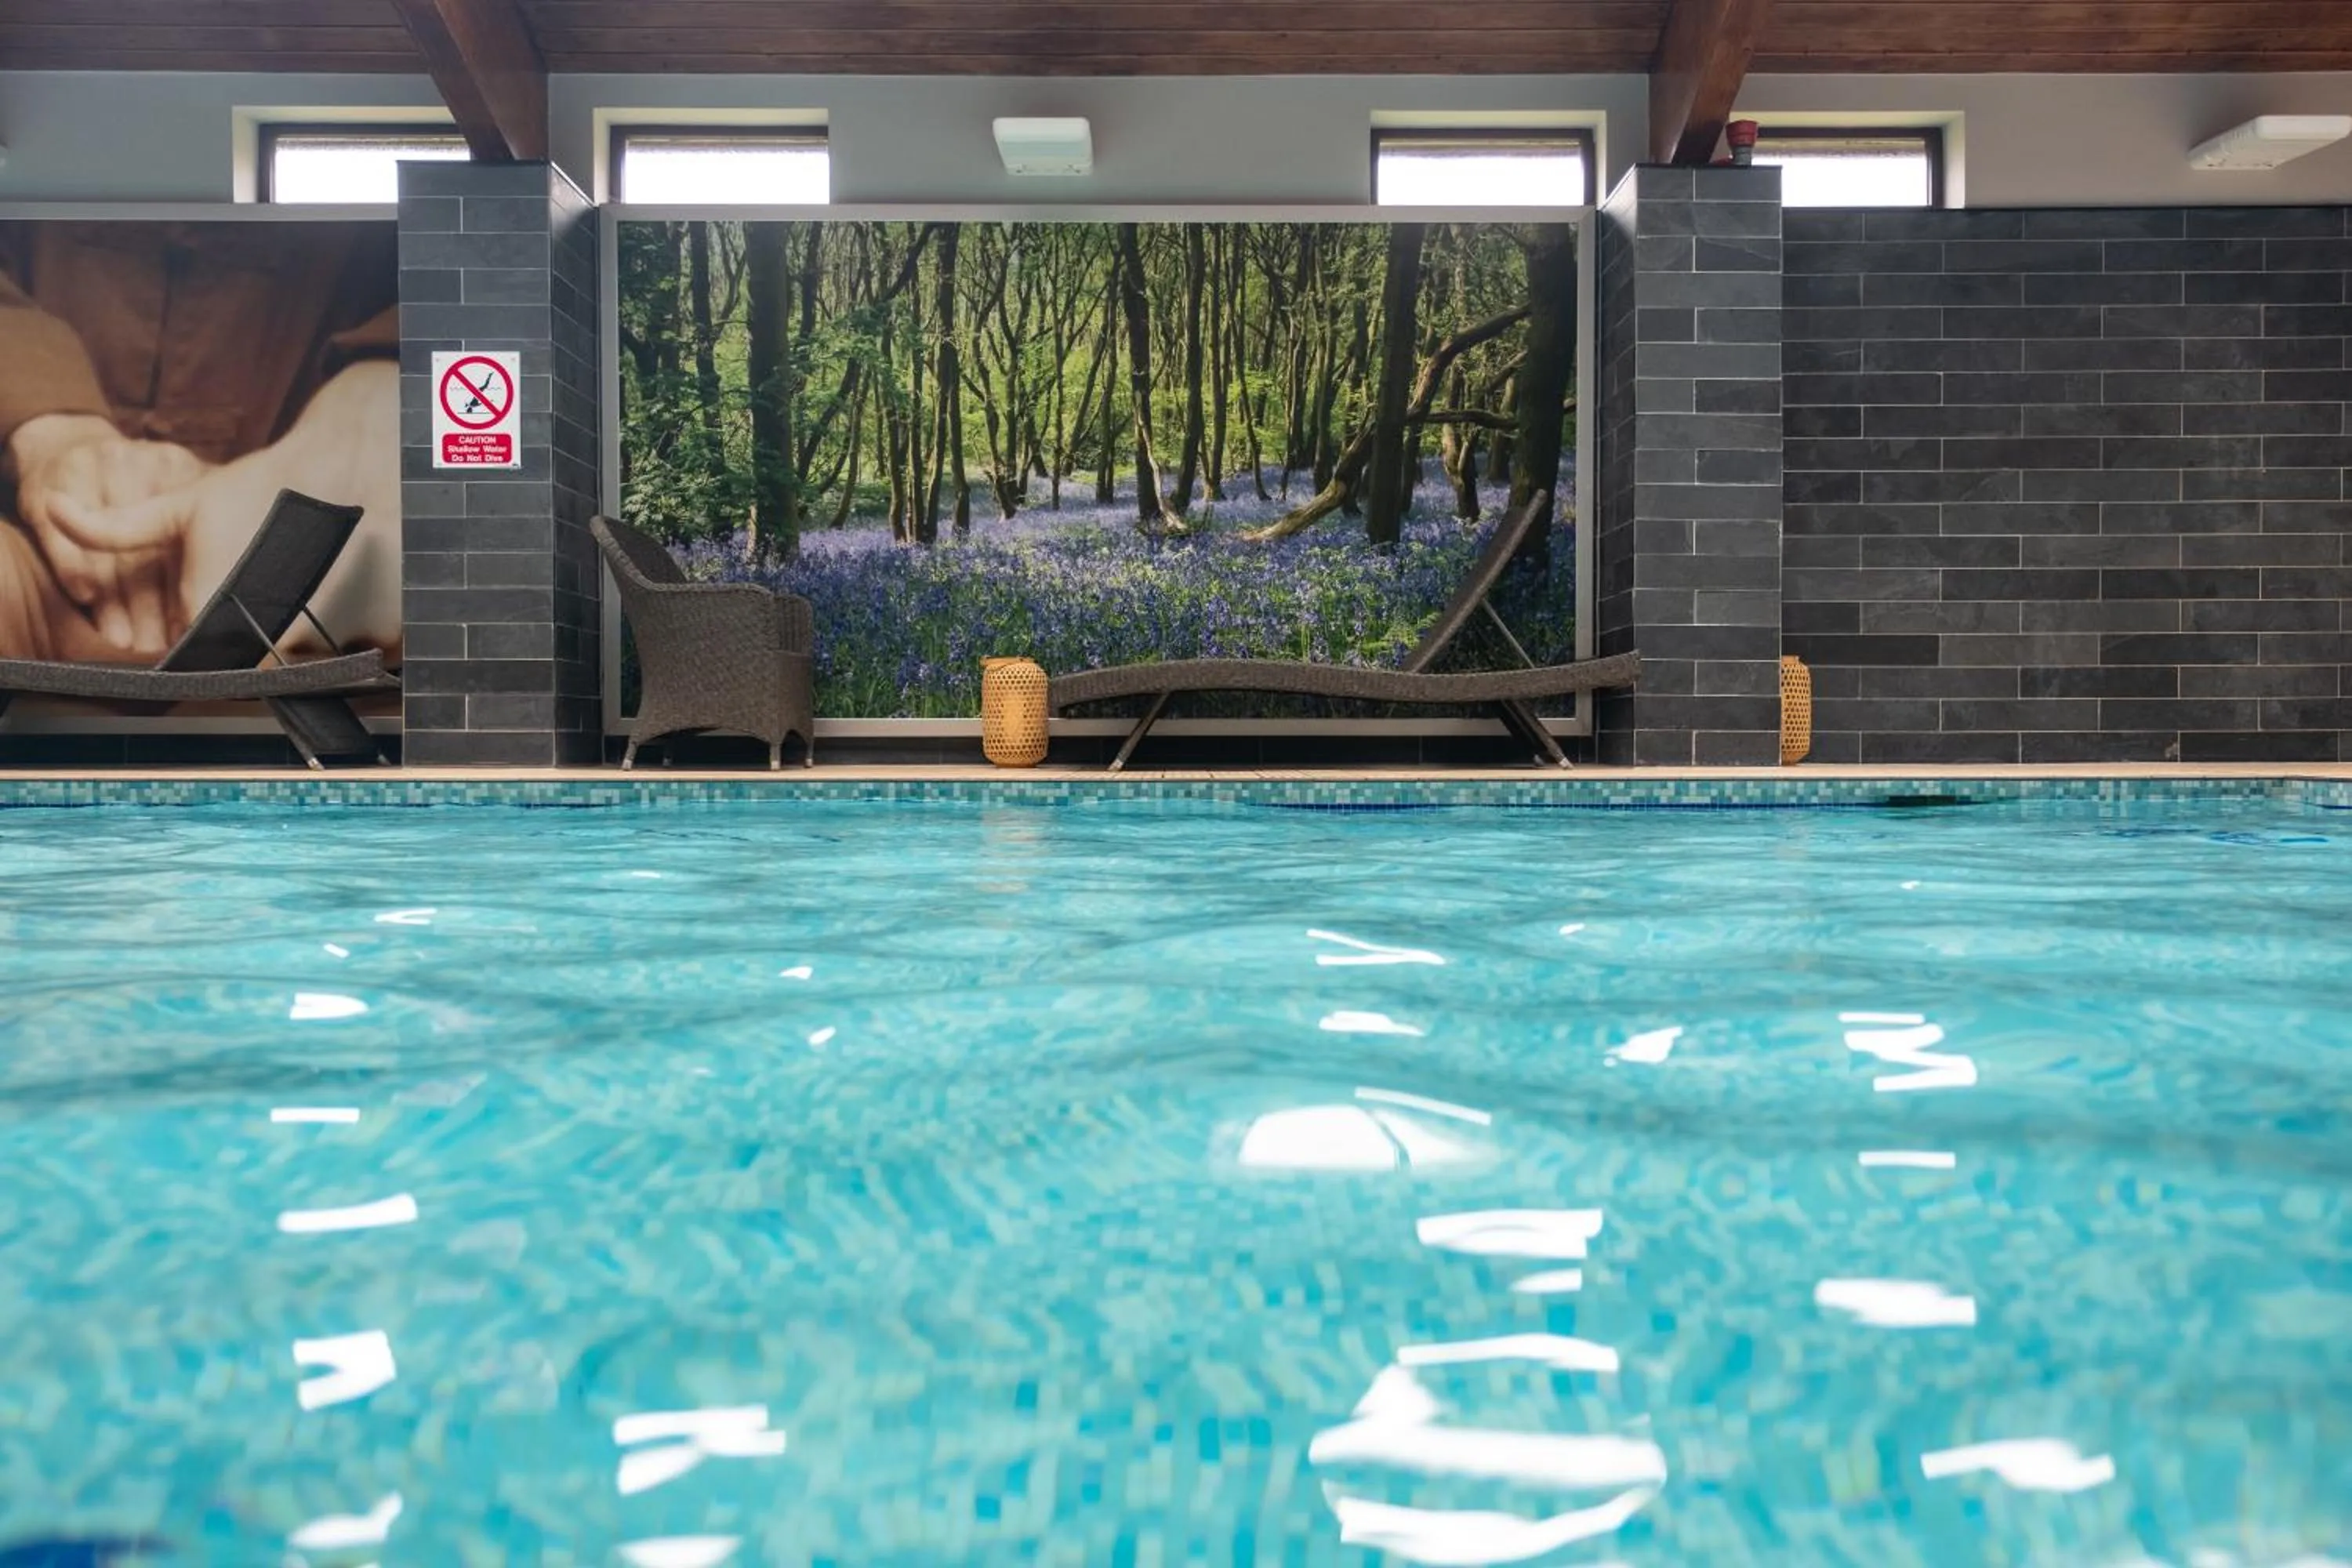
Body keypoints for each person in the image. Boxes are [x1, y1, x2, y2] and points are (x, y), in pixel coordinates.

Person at [0, 220, 402, 666]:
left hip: (338, 617)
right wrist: (41, 412)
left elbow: (484, 228)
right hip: (23, 551)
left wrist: (392, 385)